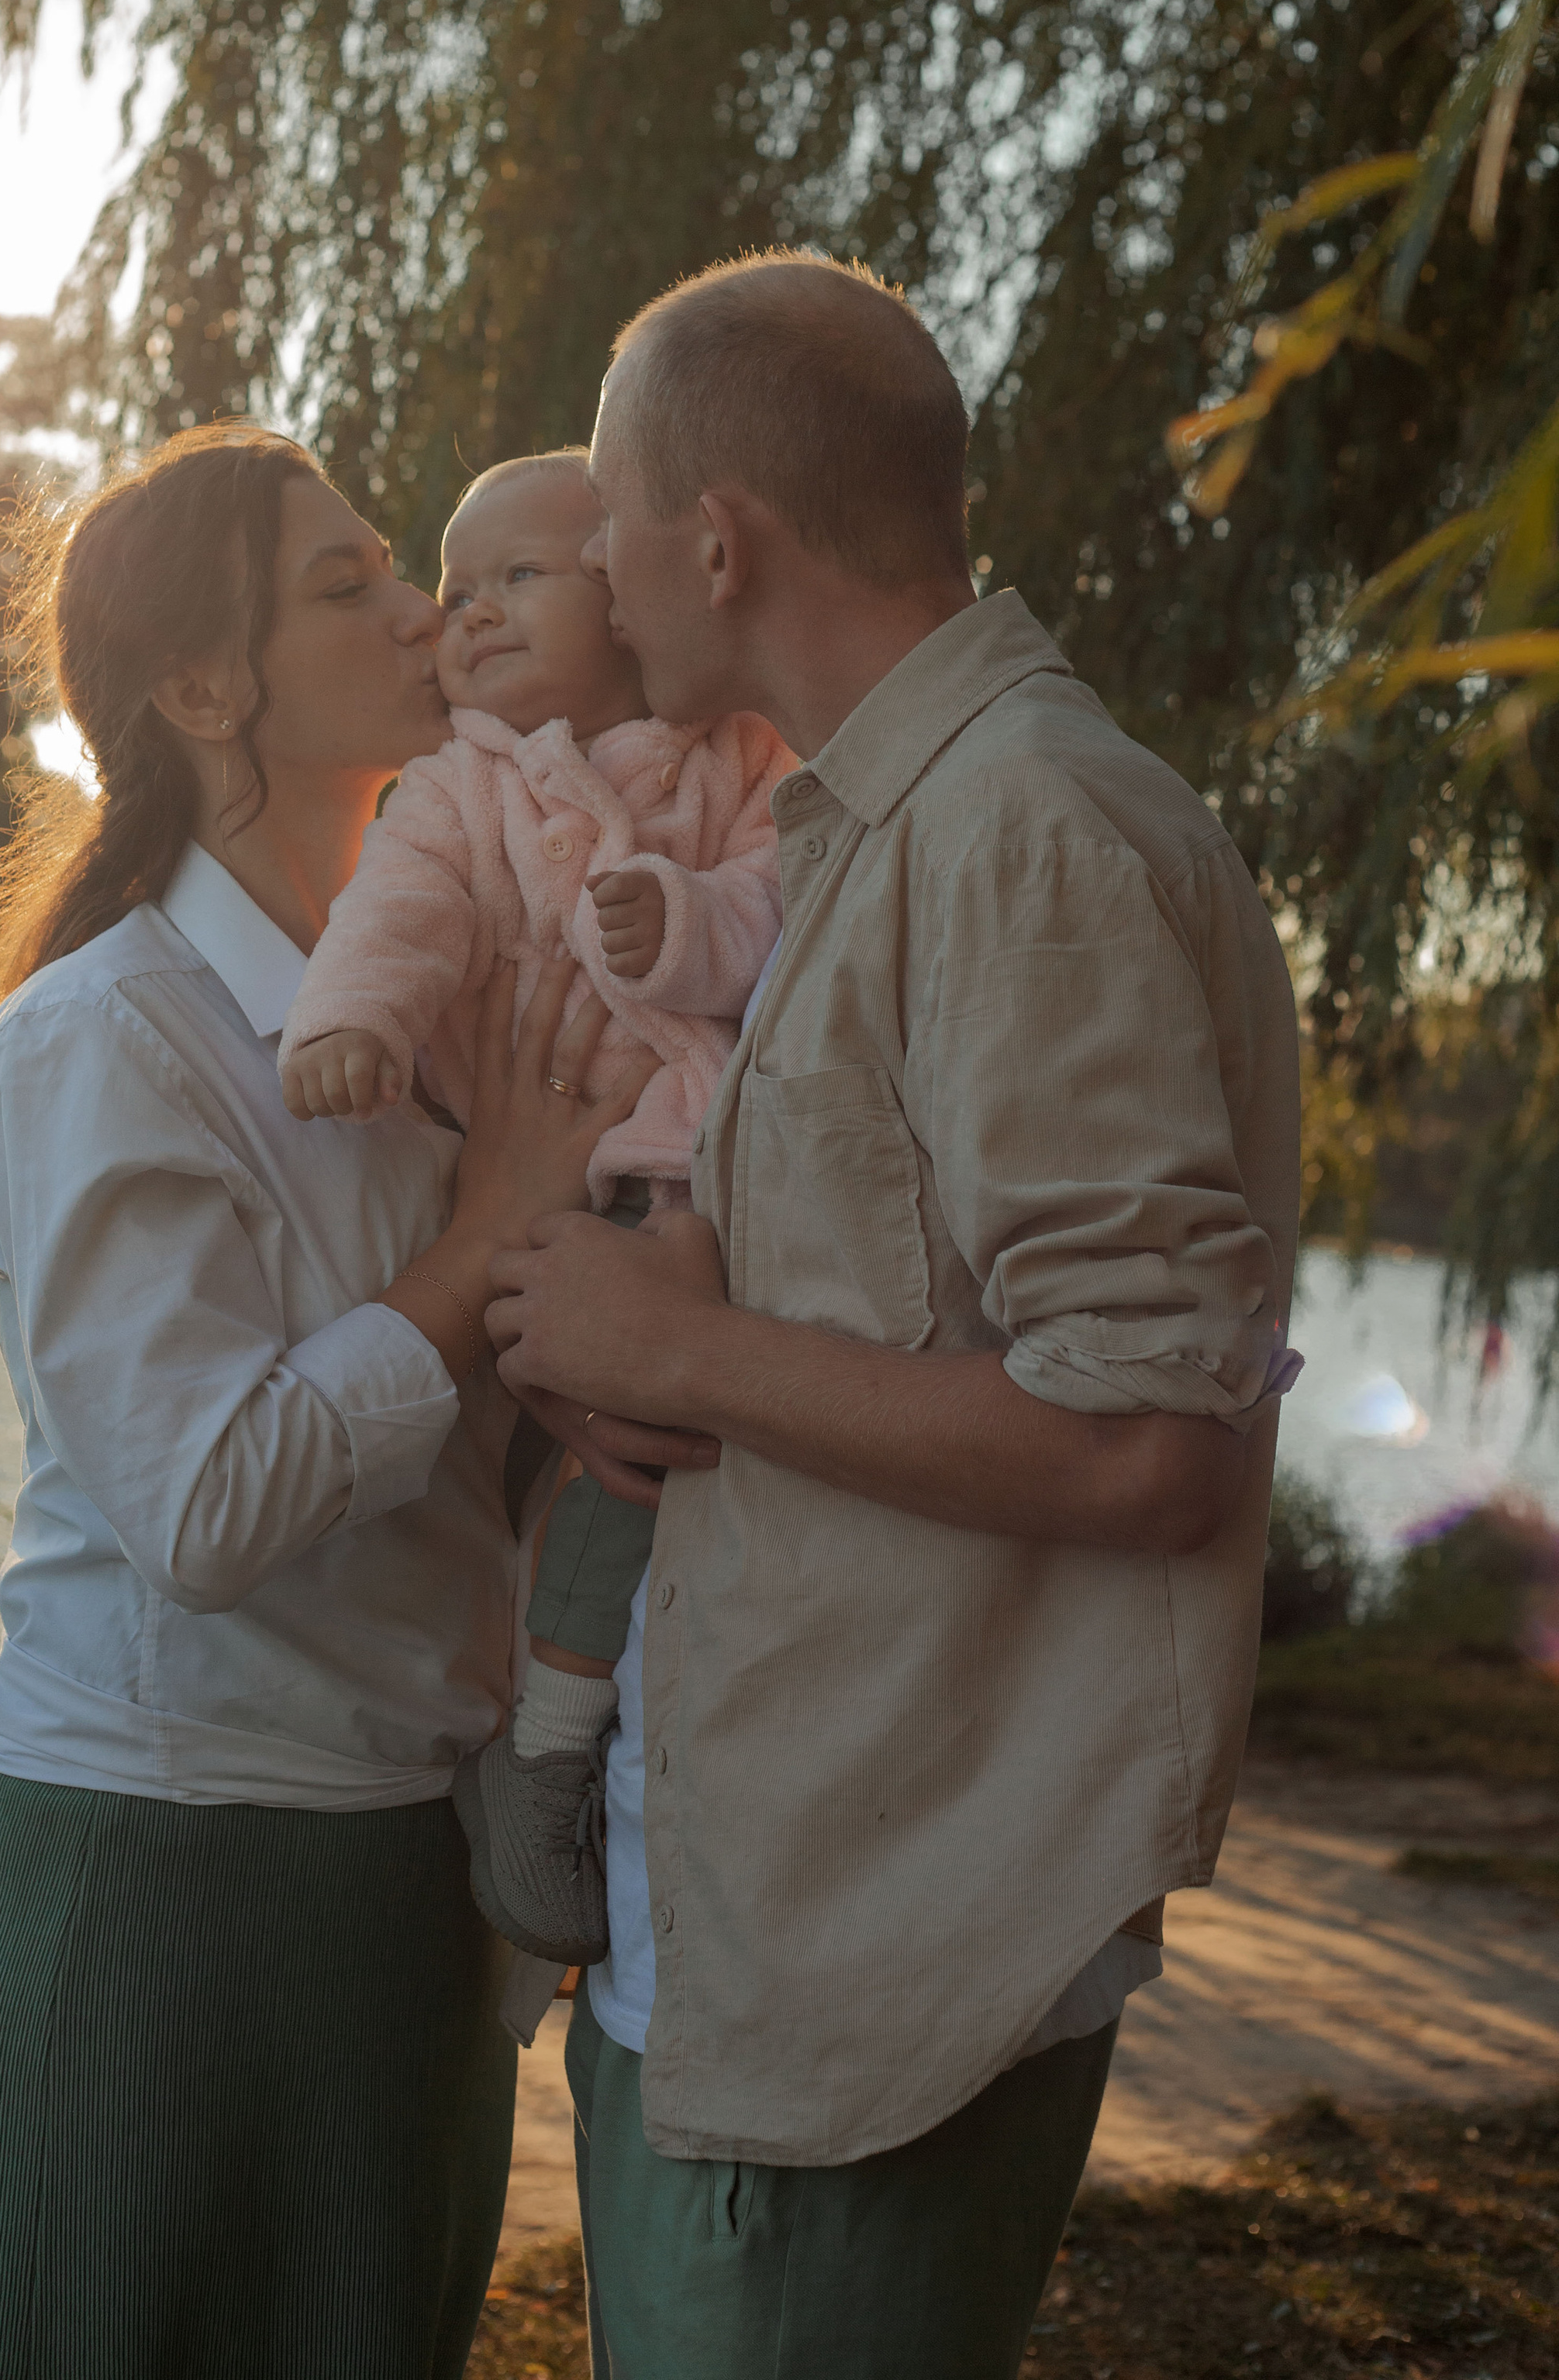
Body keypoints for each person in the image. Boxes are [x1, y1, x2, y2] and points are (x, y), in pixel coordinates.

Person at [486, 254, 1302, 2380]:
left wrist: (680, 1353)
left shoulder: (1019, 829)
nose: (596, 572)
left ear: (717, 541)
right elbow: (890, 1311)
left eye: (611, 521)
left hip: (876, 1965)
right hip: (759, 1919)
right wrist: (638, 1340)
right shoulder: (874, 825)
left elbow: (1150, 1437)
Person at [0, 422, 675, 2380]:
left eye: (399, 568)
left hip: (408, 1896)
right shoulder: (107, 1036)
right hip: (147, 1888)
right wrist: (478, 1239)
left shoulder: (436, 1014)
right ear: (200, 690)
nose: (421, 610)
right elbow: (206, 1509)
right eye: (347, 585)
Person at [278, 447, 793, 1964]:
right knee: (627, 1465)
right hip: (584, 1196)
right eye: (455, 590)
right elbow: (399, 912)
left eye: (517, 577)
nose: (468, 614)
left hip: (715, 1168)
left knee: (720, 1452)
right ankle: (552, 1751)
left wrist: (690, 924)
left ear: (629, 594)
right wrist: (351, 1019)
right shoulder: (459, 785)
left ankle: (633, 1731)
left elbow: (781, 898)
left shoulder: (739, 752)